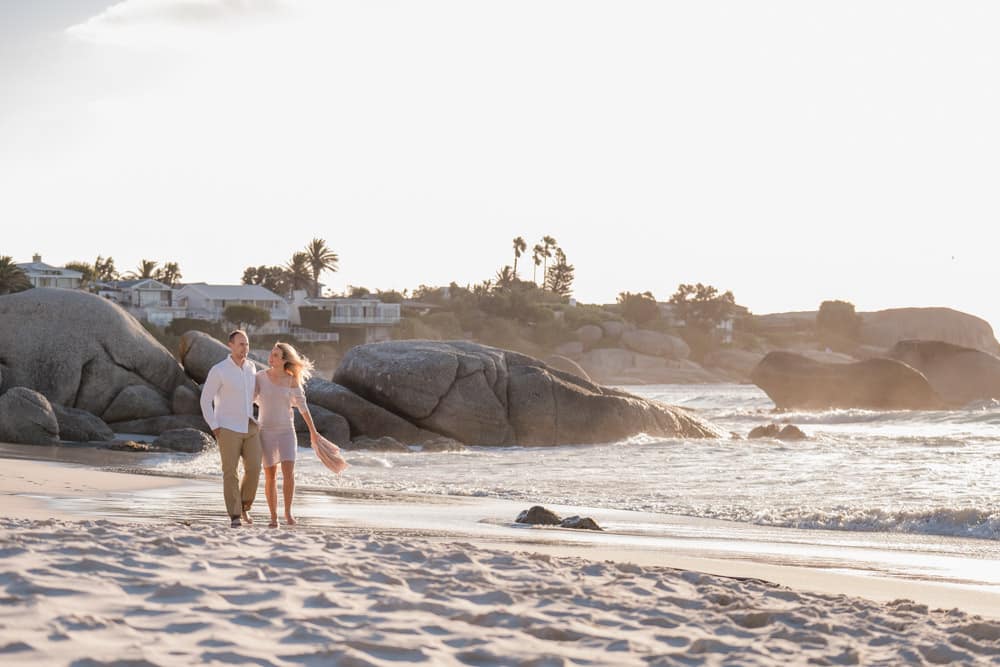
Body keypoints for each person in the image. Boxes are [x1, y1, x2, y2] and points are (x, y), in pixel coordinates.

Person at [199, 329, 261, 528]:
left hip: (250, 425)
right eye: (241, 344)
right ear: (230, 345)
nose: (245, 348)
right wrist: (215, 427)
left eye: (247, 344)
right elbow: (205, 400)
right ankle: (235, 515)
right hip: (227, 427)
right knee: (230, 472)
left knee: (254, 468)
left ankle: (244, 506)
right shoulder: (219, 370)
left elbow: (254, 397)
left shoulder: (251, 368)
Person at [256, 341, 320, 528]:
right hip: (265, 431)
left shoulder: (291, 380)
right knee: (270, 476)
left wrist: (313, 431)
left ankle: (288, 513)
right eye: (271, 353)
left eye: (276, 355)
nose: (271, 357)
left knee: (289, 475)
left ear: (285, 360)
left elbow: (302, 406)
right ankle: (273, 517)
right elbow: (248, 400)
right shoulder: (260, 377)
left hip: (286, 432)